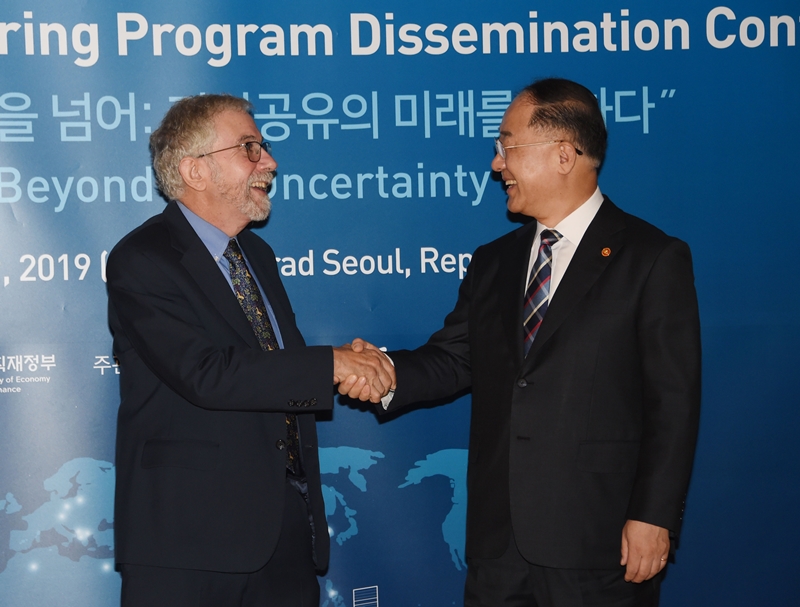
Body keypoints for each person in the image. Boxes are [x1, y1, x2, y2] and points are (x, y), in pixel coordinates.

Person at [346, 77, 701, 606]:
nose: (496, 164)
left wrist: (653, 514)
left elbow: (673, 402)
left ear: (563, 154)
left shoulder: (650, 258)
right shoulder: (495, 261)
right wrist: (386, 373)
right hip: (498, 547)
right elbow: (455, 358)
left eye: (506, 146)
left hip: (599, 542)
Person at [106, 93, 394, 607]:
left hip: (282, 534)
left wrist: (344, 364)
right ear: (195, 170)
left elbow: (273, 364)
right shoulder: (143, 258)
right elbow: (206, 373)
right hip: (187, 544)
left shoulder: (256, 255)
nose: (271, 162)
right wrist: (332, 364)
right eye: (250, 148)